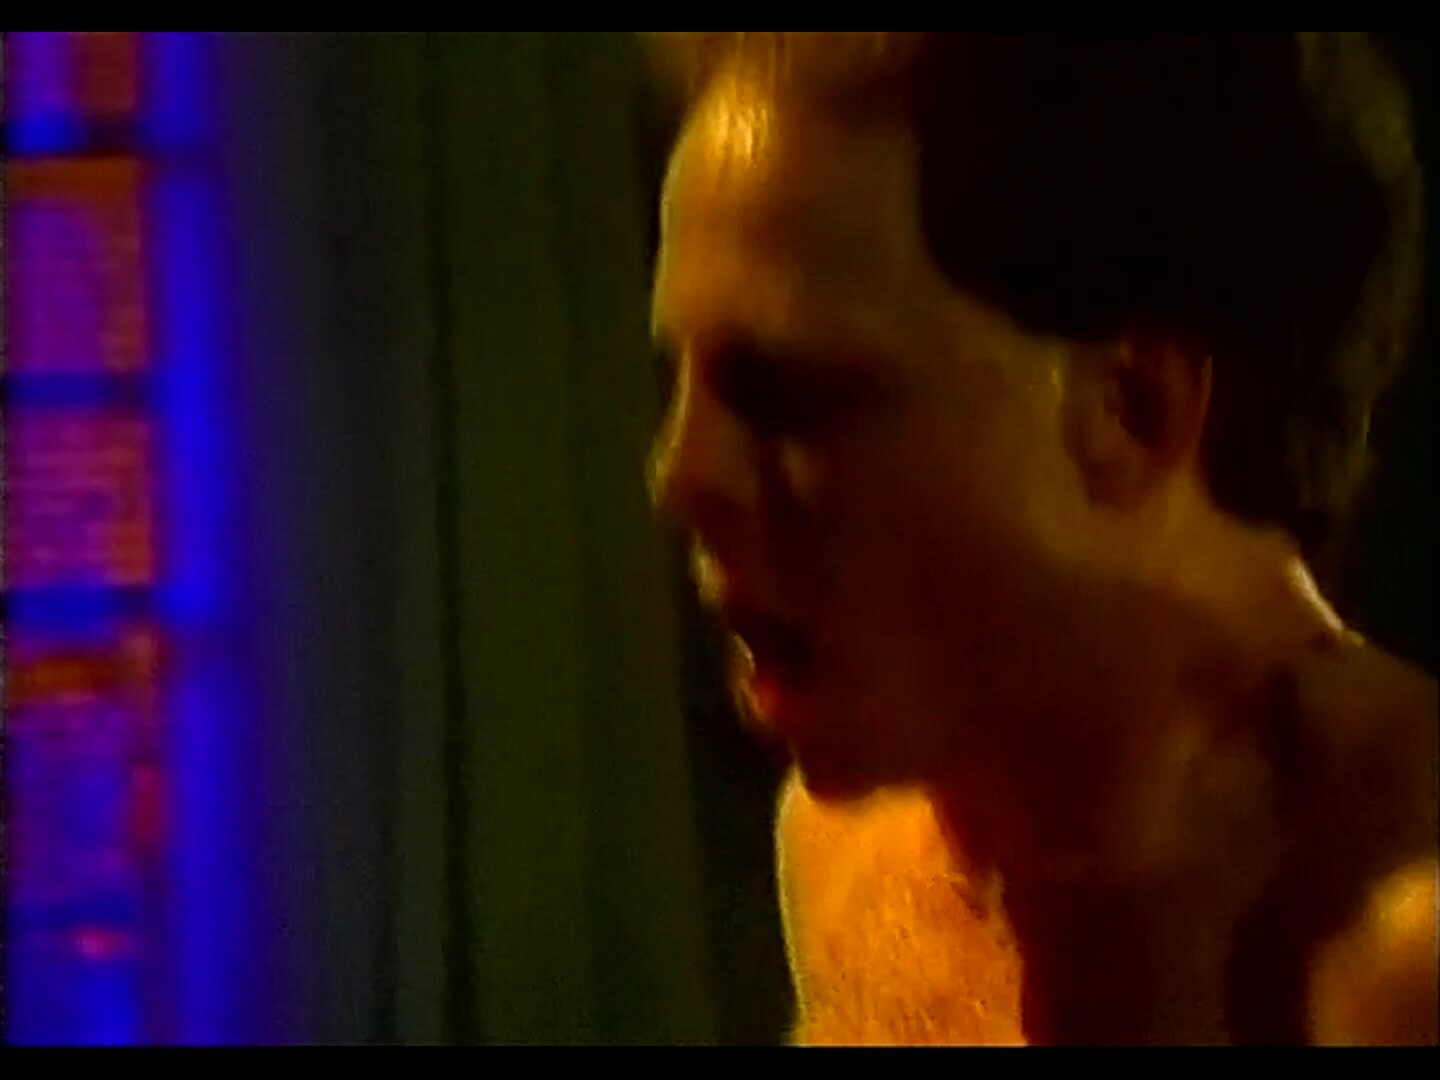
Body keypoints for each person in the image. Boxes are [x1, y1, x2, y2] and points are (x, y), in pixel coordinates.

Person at [644, 33, 1437, 1045]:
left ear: (1129, 410)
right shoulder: (845, 843)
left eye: (790, 392)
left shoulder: (1405, 951)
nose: (682, 477)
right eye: (683, 382)